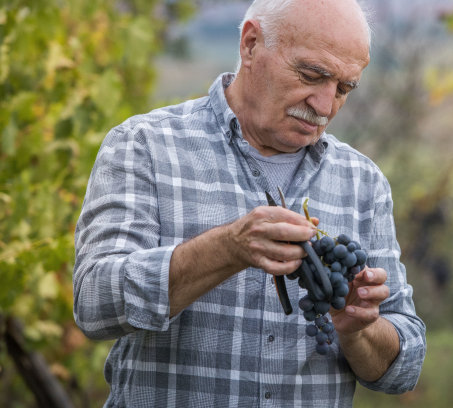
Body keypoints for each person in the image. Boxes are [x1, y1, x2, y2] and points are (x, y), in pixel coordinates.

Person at [72, 0, 426, 406]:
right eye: (312, 75)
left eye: (344, 89)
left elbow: (405, 367)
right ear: (251, 44)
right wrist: (226, 249)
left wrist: (358, 331)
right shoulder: (145, 145)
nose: (325, 106)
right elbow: (95, 305)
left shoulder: (363, 181)